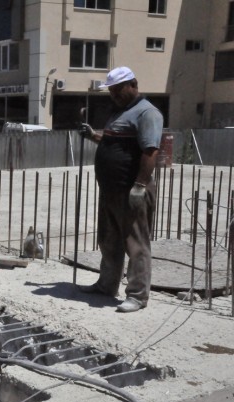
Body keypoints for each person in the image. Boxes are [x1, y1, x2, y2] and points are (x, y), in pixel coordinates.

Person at [77, 66, 163, 313]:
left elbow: (150, 151)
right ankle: (107, 284)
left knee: (135, 243)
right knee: (109, 240)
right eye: (111, 91)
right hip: (111, 190)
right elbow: (112, 141)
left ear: (133, 85)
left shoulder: (147, 112)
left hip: (131, 189)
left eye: (118, 90)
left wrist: (140, 185)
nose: (114, 95)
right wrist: (93, 135)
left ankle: (137, 295)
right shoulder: (119, 112)